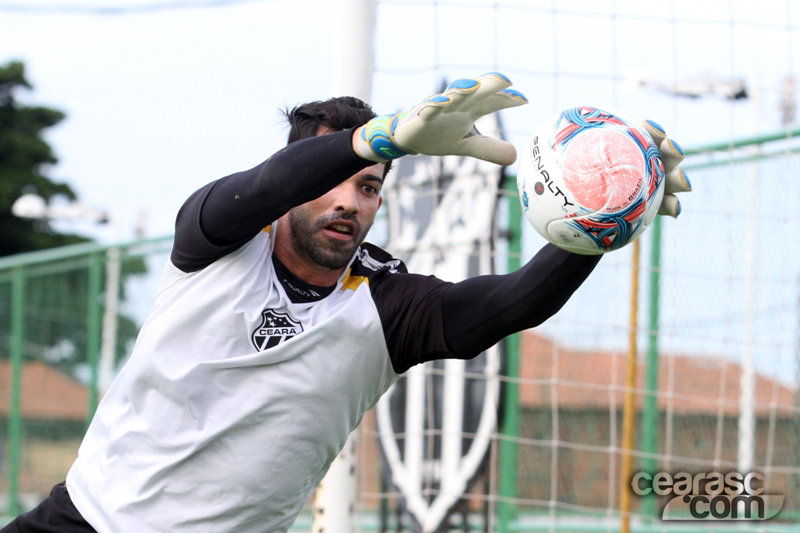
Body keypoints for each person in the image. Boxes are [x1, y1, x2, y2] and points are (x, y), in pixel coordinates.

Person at [3, 73, 689, 532]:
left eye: (368, 186)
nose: (348, 201)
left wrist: (600, 225)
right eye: (334, 179)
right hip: (86, 521)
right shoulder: (215, 242)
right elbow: (265, 185)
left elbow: (513, 304)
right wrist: (377, 139)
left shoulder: (385, 307)